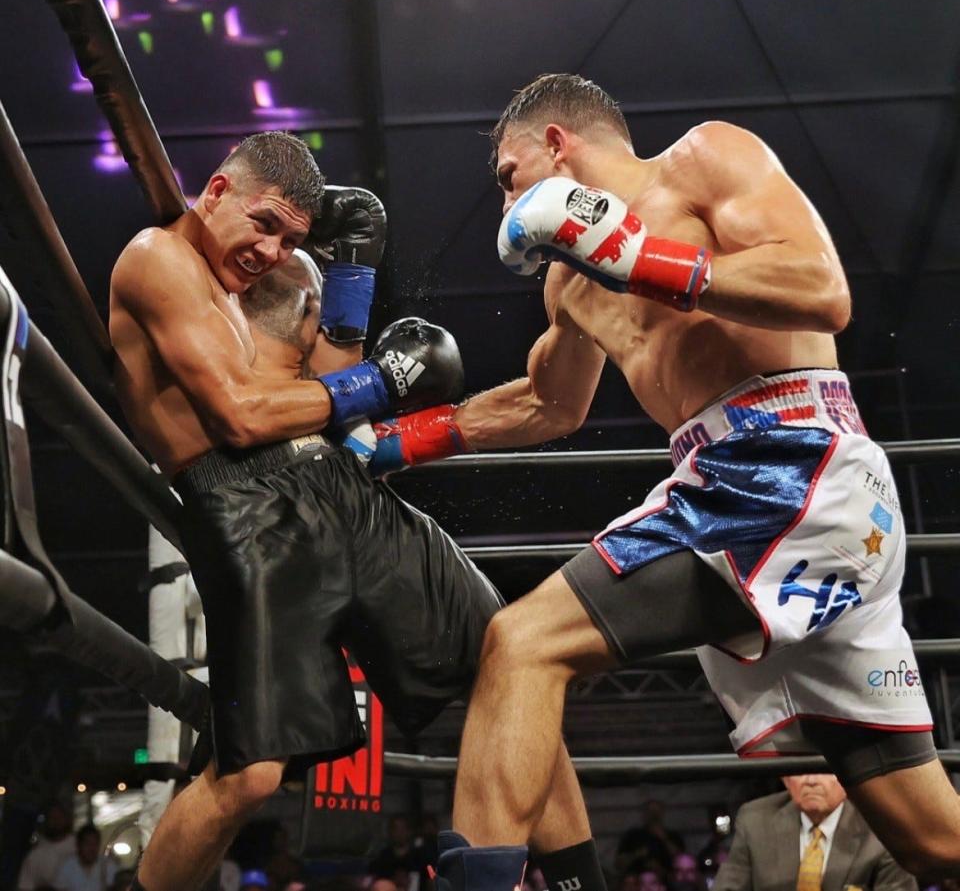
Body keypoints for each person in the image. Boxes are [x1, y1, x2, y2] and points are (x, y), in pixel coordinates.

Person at [361, 74, 960, 885]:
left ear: (556, 145)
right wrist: (389, 443)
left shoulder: (705, 160)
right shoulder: (568, 280)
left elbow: (824, 293)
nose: (503, 201)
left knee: (522, 642)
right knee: (933, 840)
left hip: (793, 468)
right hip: (745, 497)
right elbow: (549, 403)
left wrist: (645, 258)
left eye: (508, 174)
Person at [109, 131, 601, 891]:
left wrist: (353, 272)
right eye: (263, 223)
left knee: (515, 661)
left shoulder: (292, 269)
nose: (271, 250)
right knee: (251, 776)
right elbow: (240, 416)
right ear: (214, 192)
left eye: (291, 237)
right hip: (244, 508)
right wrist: (384, 382)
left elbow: (328, 396)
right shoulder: (156, 260)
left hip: (341, 484)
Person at [713, 773, 917, 890]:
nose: (811, 780)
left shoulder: (882, 824)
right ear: (785, 778)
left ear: (846, 775)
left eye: (823, 769)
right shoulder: (756, 820)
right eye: (800, 769)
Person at [17, 801, 76, 891]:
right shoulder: (35, 854)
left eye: (59, 817)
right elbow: (25, 885)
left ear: (67, 819)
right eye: (52, 818)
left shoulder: (79, 847)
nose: (56, 822)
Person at [53, 824, 117, 891]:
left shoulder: (108, 865)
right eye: (87, 843)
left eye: (95, 844)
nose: (91, 848)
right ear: (78, 845)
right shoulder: (67, 865)